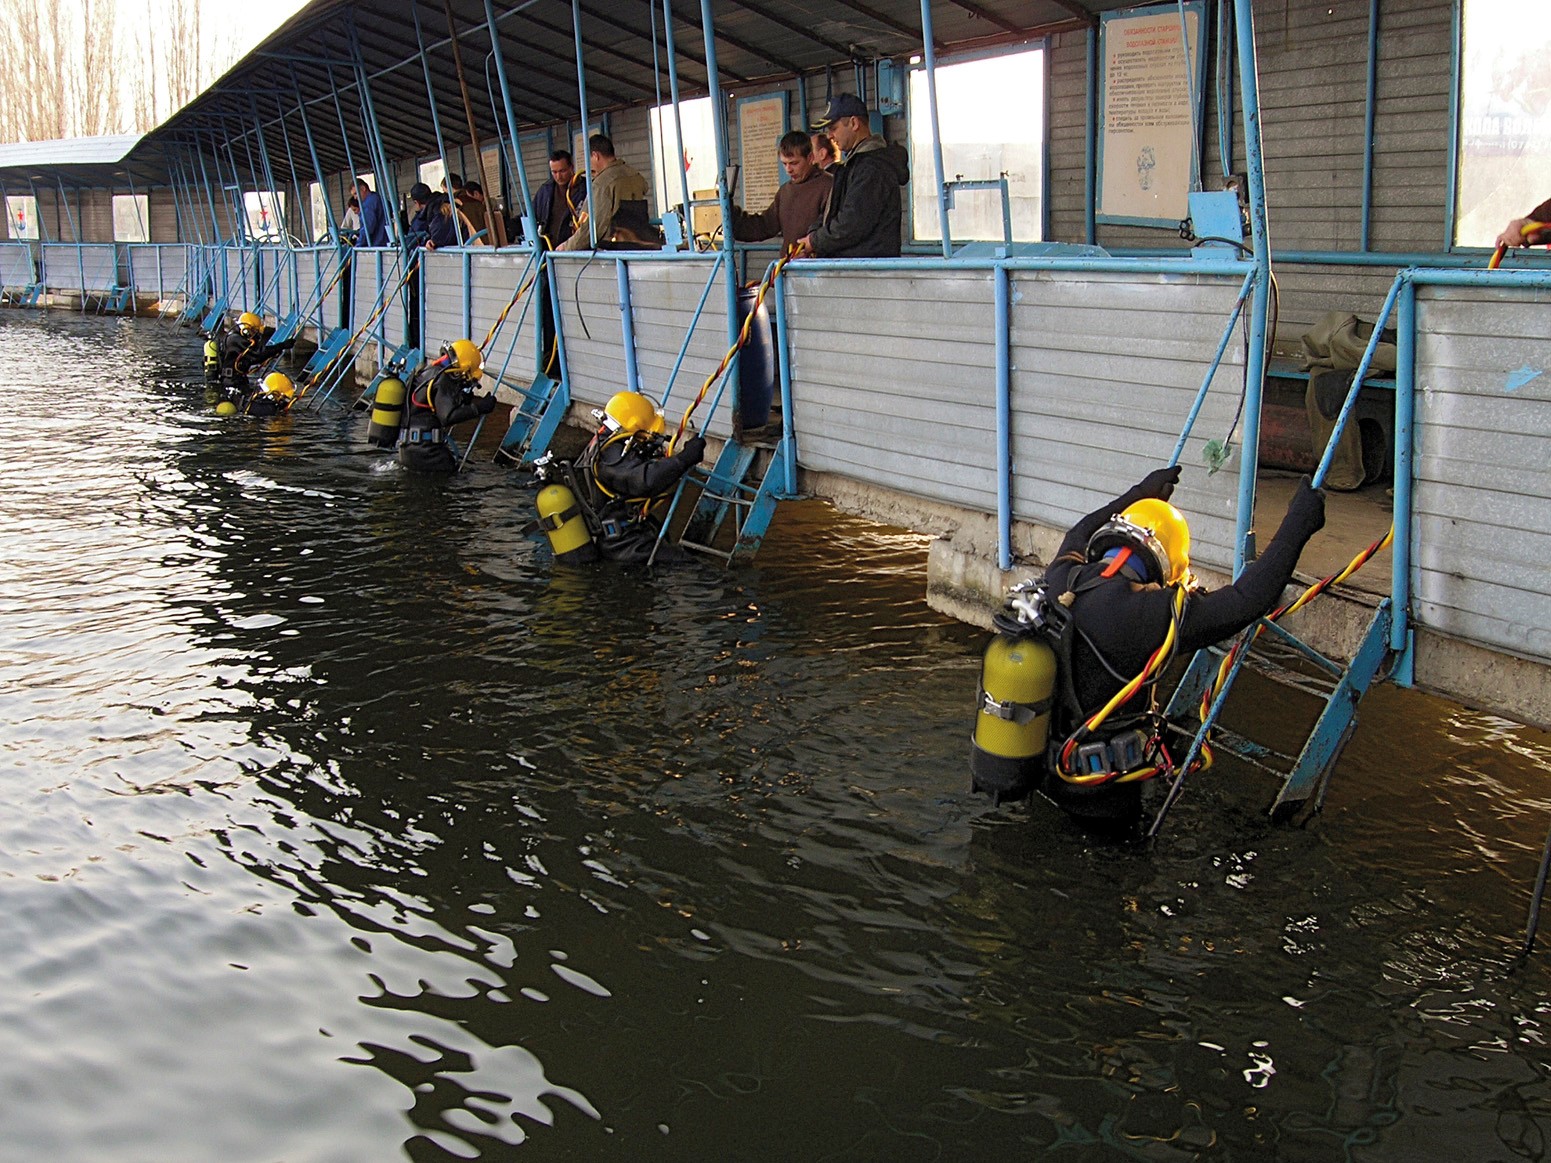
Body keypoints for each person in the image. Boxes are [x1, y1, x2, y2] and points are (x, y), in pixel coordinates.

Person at [1032, 465, 1326, 819]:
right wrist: (1299, 522)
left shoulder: (1061, 578)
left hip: (1044, 776)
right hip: (1103, 798)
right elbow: (1248, 599)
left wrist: (1138, 493)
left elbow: (1079, 532)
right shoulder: (1149, 614)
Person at [534, 391, 707, 562]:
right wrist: (684, 459)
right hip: (624, 545)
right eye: (647, 434)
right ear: (634, 425)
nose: (649, 440)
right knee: (690, 566)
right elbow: (643, 480)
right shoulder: (610, 455)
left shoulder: (602, 445)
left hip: (624, 538)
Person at [794, 94, 910, 259]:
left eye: (833, 128)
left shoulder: (872, 168)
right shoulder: (854, 165)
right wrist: (814, 236)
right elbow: (835, 211)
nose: (829, 136)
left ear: (854, 123)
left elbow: (852, 223)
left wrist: (814, 241)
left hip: (865, 273)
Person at [397, 339, 497, 473]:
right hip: (428, 454)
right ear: (463, 368)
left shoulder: (427, 371)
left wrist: (462, 400)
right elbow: (448, 416)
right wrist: (479, 408)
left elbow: (431, 407)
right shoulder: (444, 378)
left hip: (408, 451)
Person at [729, 130, 834, 250]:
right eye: (784, 164)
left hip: (819, 264)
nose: (788, 169)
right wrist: (730, 215)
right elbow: (764, 226)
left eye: (794, 163)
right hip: (789, 265)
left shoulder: (829, 185)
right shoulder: (785, 192)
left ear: (810, 158)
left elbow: (834, 231)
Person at [557, 134, 659, 251]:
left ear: (595, 156)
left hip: (613, 250)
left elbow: (593, 227)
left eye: (588, 159)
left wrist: (567, 246)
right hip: (639, 244)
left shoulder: (602, 184)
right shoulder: (635, 174)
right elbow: (644, 188)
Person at [219, 311, 294, 402]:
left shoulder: (235, 337)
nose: (254, 334)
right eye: (253, 330)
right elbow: (257, 354)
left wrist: (273, 352)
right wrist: (281, 346)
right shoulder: (235, 339)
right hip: (232, 381)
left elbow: (253, 358)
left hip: (237, 379)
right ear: (246, 328)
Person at [533, 150, 586, 248]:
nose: (558, 176)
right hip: (549, 252)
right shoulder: (545, 191)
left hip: (575, 250)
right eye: (554, 172)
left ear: (571, 167)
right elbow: (531, 214)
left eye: (562, 171)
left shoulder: (586, 189)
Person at [407, 182, 458, 250]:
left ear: (417, 202)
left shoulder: (433, 211)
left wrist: (432, 242)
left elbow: (439, 235)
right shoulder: (445, 201)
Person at [356, 178, 389, 247]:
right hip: (385, 242)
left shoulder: (368, 204)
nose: (355, 197)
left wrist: (358, 245)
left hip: (376, 245)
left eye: (355, 193)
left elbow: (367, 228)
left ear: (363, 188)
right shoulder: (378, 198)